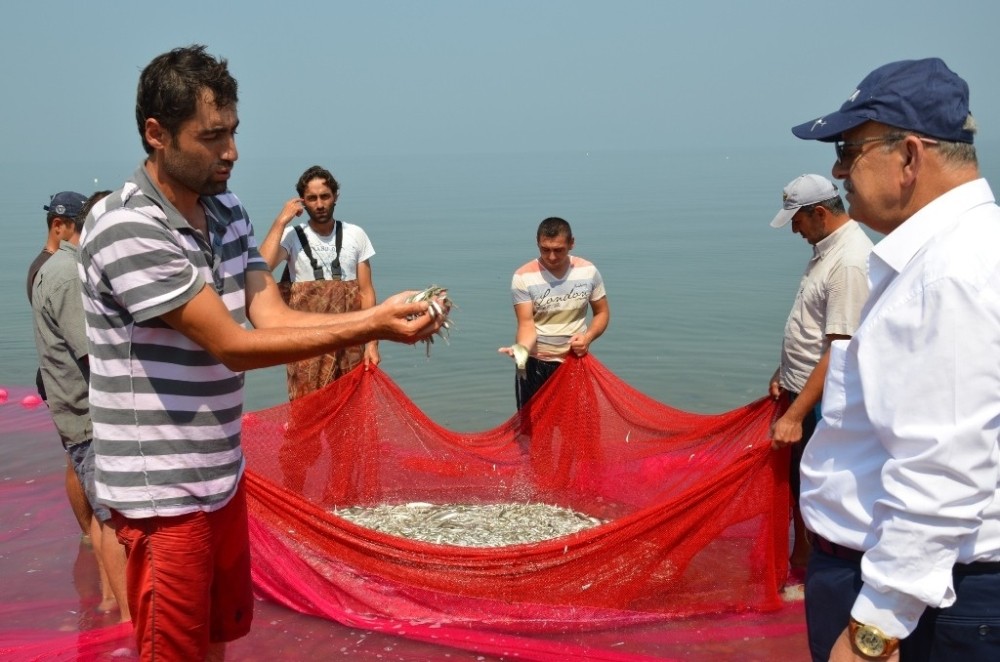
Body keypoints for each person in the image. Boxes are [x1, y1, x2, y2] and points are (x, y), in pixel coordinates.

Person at [77, 45, 444, 661]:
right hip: (161, 495)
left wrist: (375, 314)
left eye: (235, 132)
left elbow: (267, 312)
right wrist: (374, 326)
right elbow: (233, 345)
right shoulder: (127, 226)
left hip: (222, 477)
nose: (232, 152)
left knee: (216, 641)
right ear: (156, 134)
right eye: (212, 135)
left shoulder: (227, 211)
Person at [791, 58, 1000, 661]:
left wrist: (875, 629)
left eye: (847, 149)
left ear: (909, 156)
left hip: (923, 601)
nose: (837, 171)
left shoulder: (950, 274)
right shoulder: (952, 253)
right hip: (911, 582)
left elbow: (946, 467)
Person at [766, 174, 873, 577]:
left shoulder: (848, 261)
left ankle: (821, 565)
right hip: (801, 389)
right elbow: (814, 327)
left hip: (823, 401)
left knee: (819, 484)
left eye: (797, 219)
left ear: (820, 213)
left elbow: (841, 349)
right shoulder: (826, 249)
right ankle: (804, 558)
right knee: (799, 479)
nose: (794, 228)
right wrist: (785, 370)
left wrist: (794, 416)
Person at [32, 190, 130, 622]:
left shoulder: (55, 269)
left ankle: (111, 601)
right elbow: (93, 355)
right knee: (112, 519)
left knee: (99, 514)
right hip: (90, 415)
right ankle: (131, 619)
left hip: (75, 413)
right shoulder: (70, 274)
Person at [258, 166, 379, 400]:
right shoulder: (291, 237)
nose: (320, 204)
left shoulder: (356, 234)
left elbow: (366, 293)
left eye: (325, 196)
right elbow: (261, 267)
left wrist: (372, 344)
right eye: (312, 198)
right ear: (303, 202)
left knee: (349, 414)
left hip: (350, 342)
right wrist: (280, 222)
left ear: (335, 197)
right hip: (306, 345)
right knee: (305, 413)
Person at [27, 190, 92, 537]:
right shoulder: (55, 271)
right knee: (76, 459)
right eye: (79, 225)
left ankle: (90, 533)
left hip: (58, 371)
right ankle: (89, 532)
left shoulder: (55, 267)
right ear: (59, 225)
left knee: (74, 457)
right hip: (64, 377)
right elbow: (78, 342)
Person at [499, 217, 609, 410]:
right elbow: (526, 324)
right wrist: (521, 350)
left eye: (558, 250)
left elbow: (602, 313)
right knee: (536, 433)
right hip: (536, 365)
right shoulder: (523, 276)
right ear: (537, 243)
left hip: (575, 362)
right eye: (545, 249)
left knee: (578, 428)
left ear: (571, 243)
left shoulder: (589, 271)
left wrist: (588, 337)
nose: (551, 257)